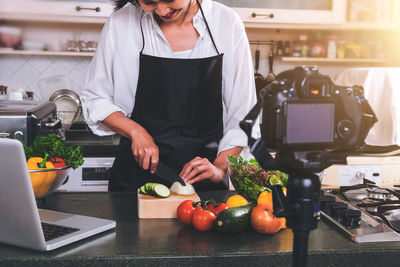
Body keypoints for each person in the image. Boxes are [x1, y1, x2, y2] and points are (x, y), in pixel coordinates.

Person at [81, 0, 259, 192]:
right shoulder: (121, 23)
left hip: (203, 182)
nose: (161, 10)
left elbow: (243, 114)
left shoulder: (226, 23)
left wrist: (220, 167)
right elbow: (96, 98)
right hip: (134, 179)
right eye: (149, 2)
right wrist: (135, 131)